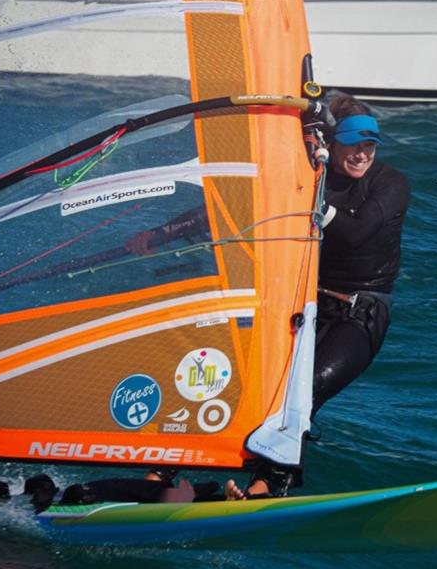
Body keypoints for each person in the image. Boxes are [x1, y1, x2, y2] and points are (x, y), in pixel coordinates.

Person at [110, 94, 409, 502]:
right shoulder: (306, 173)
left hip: (360, 314)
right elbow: (225, 208)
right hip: (299, 305)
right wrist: (159, 235)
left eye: (370, 146)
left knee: (306, 390)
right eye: (353, 144)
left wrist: (305, 189)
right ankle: (166, 471)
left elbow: (358, 231)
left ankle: (267, 484)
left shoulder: (389, 183)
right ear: (329, 142)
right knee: (227, 378)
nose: (362, 154)